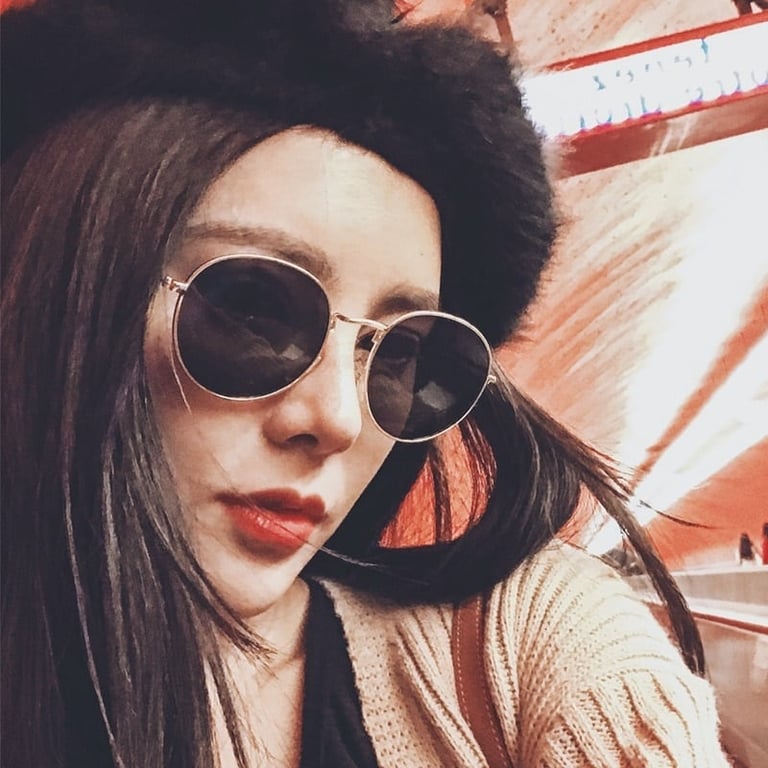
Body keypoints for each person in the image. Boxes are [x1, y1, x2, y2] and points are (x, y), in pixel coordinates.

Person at [1, 1, 731, 766]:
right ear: (55, 291)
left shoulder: (523, 647)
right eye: (253, 310)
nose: (339, 419)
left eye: (399, 353)